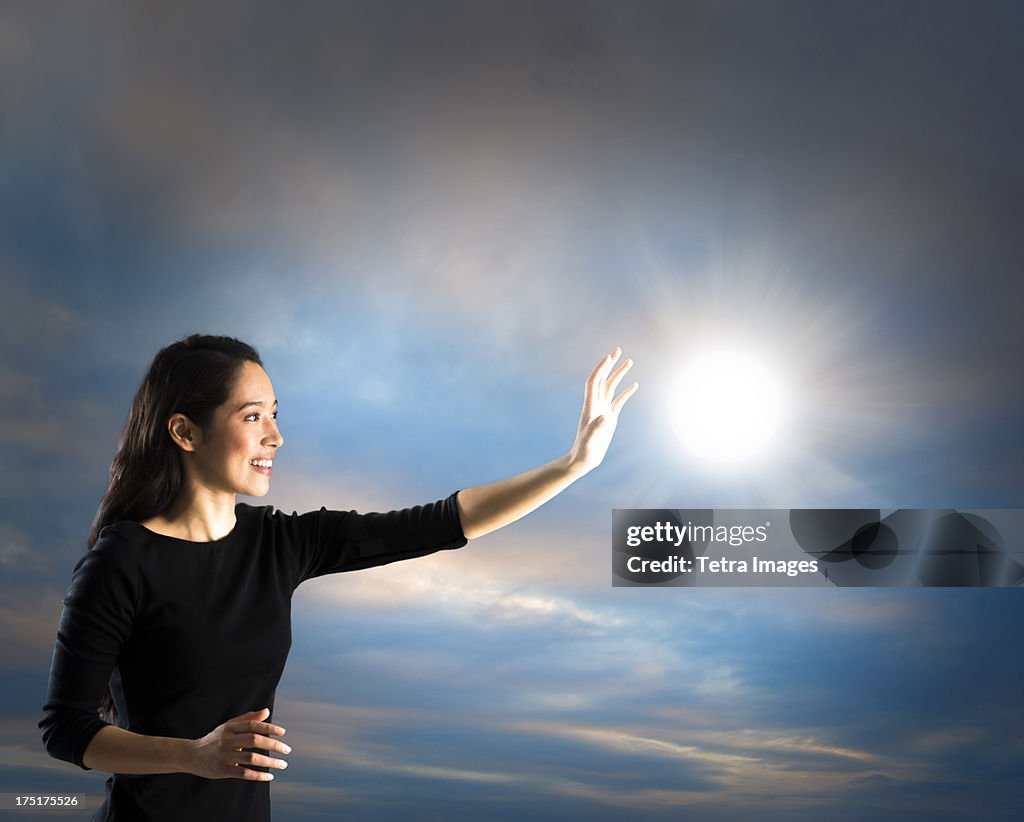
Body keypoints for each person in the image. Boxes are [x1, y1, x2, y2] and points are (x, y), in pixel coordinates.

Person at [39, 334, 638, 821]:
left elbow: (442, 522)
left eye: (275, 415)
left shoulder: (279, 543)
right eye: (253, 417)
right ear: (185, 432)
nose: (276, 436)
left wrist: (574, 464)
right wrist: (195, 756)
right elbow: (66, 730)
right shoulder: (120, 563)